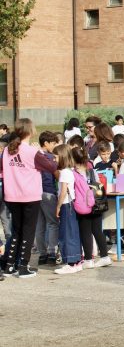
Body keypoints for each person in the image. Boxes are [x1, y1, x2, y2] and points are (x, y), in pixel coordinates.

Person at [0, 119, 59, 278]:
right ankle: (23, 266)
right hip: (29, 195)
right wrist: (47, 155)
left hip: (11, 195)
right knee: (28, 232)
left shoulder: (6, 150)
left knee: (17, 231)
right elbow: (51, 167)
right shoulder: (32, 152)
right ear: (30, 131)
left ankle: (10, 266)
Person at [71, 146, 112, 269]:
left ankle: (88, 259)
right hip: (96, 204)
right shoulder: (92, 170)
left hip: (83, 206)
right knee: (98, 231)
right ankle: (105, 257)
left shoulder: (73, 173)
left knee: (85, 232)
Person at [52, 144, 82, 275]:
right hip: (72, 205)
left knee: (66, 234)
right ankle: (76, 261)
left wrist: (57, 206)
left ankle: (70, 262)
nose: (54, 159)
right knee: (73, 233)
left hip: (66, 205)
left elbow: (63, 191)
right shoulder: (70, 171)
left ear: (62, 157)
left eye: (55, 157)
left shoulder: (64, 172)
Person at [35, 131, 60, 266]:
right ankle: (51, 253)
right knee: (52, 223)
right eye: (53, 143)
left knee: (40, 225)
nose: (54, 145)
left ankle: (42, 254)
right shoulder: (50, 158)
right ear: (46, 143)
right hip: (49, 192)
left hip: (36, 193)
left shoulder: (35, 156)